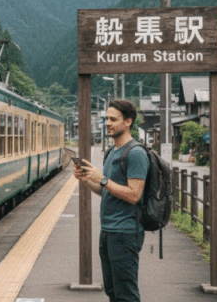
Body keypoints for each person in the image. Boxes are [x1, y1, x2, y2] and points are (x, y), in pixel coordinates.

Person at [74, 99, 149, 302]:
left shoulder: (136, 153)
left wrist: (104, 179)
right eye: (106, 118)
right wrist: (89, 180)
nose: (107, 123)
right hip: (108, 231)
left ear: (128, 122)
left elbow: (134, 195)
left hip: (125, 233)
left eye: (113, 119)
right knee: (113, 291)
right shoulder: (112, 152)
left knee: (126, 293)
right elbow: (106, 190)